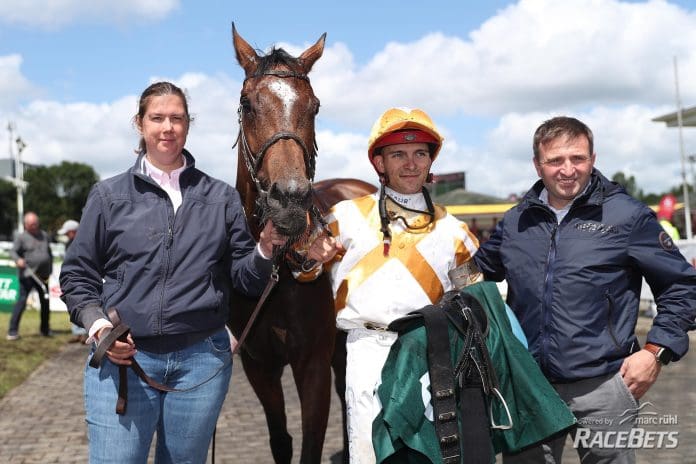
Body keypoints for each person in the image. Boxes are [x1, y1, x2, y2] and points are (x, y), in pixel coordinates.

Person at [59, 81, 287, 464]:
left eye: (177, 118)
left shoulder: (221, 198)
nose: (168, 127)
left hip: (201, 362)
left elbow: (246, 279)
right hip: (124, 360)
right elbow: (77, 276)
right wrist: (99, 327)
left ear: (187, 125)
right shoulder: (108, 196)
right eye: (158, 117)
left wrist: (265, 248)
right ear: (140, 124)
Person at [473, 116, 696, 463]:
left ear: (592, 159)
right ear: (537, 165)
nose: (568, 169)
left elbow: (681, 286)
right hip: (528, 387)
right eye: (555, 160)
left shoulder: (627, 216)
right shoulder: (516, 221)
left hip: (604, 385)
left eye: (577, 158)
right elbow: (472, 276)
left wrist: (656, 351)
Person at [298, 107, 480, 463]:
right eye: (398, 154)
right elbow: (303, 273)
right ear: (379, 163)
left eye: (419, 154)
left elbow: (474, 295)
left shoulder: (456, 231)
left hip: (432, 354)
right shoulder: (344, 217)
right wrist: (311, 256)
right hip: (367, 350)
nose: (410, 164)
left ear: (430, 162)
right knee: (367, 455)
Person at [7, 211, 52, 340]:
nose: (35, 226)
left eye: (36, 223)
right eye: (32, 224)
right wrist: (18, 260)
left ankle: (45, 330)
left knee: (45, 302)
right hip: (28, 275)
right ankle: (12, 331)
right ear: (26, 225)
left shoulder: (44, 235)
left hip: (43, 276)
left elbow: (48, 253)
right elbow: (13, 251)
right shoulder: (21, 237)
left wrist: (50, 268)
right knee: (21, 301)